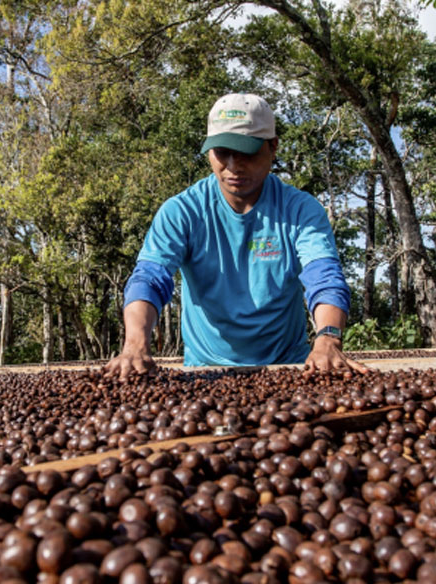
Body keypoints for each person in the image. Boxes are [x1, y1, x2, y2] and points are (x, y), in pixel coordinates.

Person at [106, 93, 369, 377]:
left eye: (247, 152)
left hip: (288, 367)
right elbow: (150, 277)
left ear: (273, 147)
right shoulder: (182, 211)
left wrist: (328, 338)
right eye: (222, 152)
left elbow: (324, 276)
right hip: (204, 372)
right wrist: (134, 343)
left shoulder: (300, 210)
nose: (233, 166)